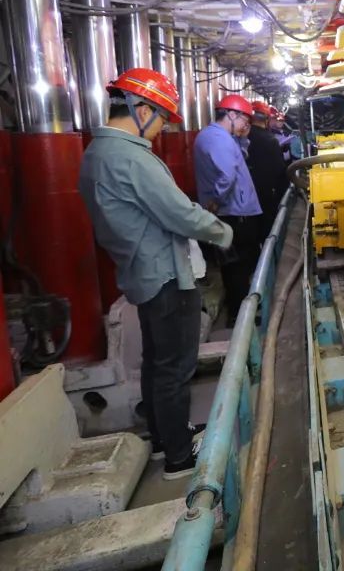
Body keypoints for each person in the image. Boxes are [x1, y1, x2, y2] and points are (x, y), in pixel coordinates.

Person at [78, 68, 234, 480]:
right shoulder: (131, 157)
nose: (163, 127)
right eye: (162, 117)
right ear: (142, 110)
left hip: (140, 273)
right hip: (167, 276)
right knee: (175, 369)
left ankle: (166, 438)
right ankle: (181, 458)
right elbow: (179, 213)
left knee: (157, 364)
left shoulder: (96, 153)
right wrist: (224, 232)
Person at [193, 94, 262, 325]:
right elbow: (227, 175)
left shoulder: (223, 137)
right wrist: (216, 199)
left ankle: (243, 310)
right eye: (244, 120)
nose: (246, 125)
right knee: (237, 267)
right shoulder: (217, 138)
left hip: (237, 211)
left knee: (239, 265)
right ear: (231, 114)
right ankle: (240, 317)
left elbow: (237, 160)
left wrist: (243, 138)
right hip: (233, 214)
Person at [247, 100, 288, 243]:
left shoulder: (240, 137)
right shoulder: (270, 140)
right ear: (267, 119)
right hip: (266, 195)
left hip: (246, 196)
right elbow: (279, 171)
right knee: (267, 232)